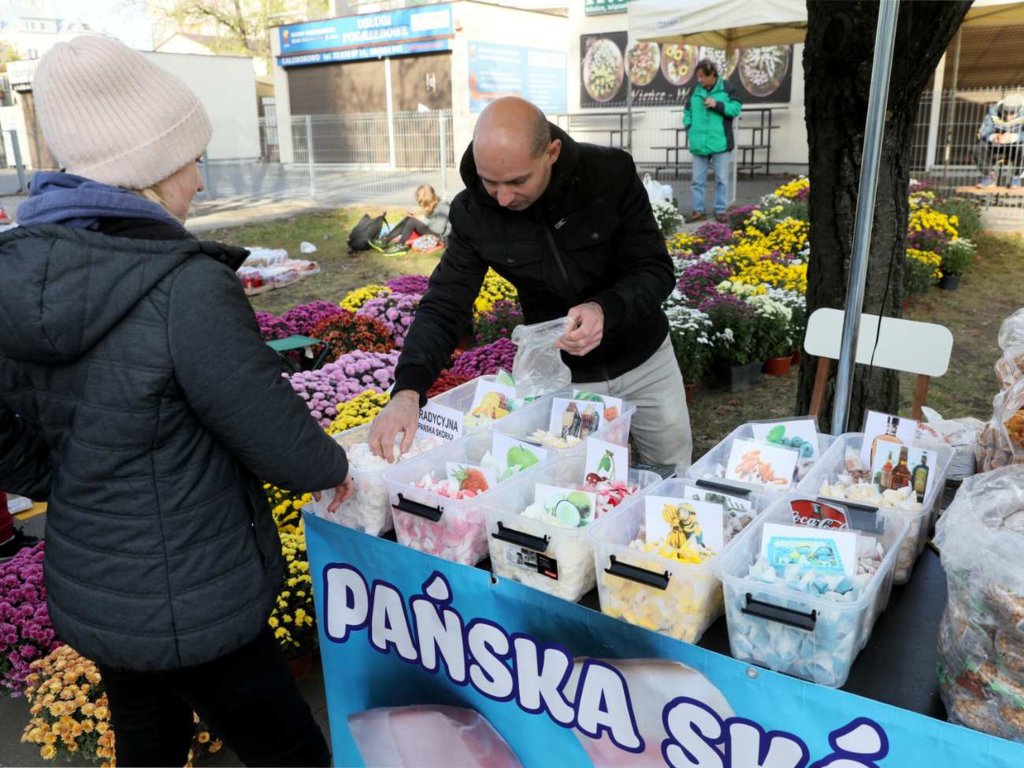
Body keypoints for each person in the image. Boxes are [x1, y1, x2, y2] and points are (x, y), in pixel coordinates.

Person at [0, 36, 353, 767]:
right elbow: (282, 442)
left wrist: (59, 475)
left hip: (98, 587)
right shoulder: (183, 287)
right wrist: (335, 465)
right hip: (193, 598)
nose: (198, 179)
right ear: (147, 172)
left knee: (149, 741)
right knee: (293, 755)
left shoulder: (17, 274)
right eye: (189, 160)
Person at [368, 96, 692, 470]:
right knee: (571, 487)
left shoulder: (609, 174)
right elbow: (445, 303)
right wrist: (408, 391)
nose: (503, 198)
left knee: (671, 469)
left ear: (551, 153)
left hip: (645, 359)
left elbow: (654, 268)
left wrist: (605, 308)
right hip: (562, 376)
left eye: (518, 181)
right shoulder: (473, 213)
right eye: (491, 182)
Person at [683, 59, 742, 223]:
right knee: (697, 181)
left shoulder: (728, 89)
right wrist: (689, 128)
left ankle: (720, 210)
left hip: (720, 143)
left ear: (712, 75)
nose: (699, 80)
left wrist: (717, 104)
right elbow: (687, 111)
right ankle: (698, 210)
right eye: (698, 76)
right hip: (698, 143)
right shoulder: (695, 90)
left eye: (702, 76)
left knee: (721, 180)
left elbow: (735, 109)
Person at [975, 94, 1024, 188]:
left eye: (1012, 113)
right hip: (997, 145)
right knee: (977, 147)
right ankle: (989, 177)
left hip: (1017, 146)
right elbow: (983, 131)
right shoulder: (993, 110)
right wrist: (993, 137)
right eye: (1005, 112)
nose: (1008, 117)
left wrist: (1013, 137)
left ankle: (1016, 178)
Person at [384, 183, 452, 246]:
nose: (421, 206)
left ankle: (400, 245)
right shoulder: (434, 205)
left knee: (412, 221)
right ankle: (386, 239)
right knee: (408, 219)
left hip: (442, 238)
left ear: (428, 199)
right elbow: (429, 221)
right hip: (435, 233)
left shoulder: (443, 206)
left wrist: (421, 219)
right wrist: (419, 217)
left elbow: (438, 229)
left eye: (422, 203)